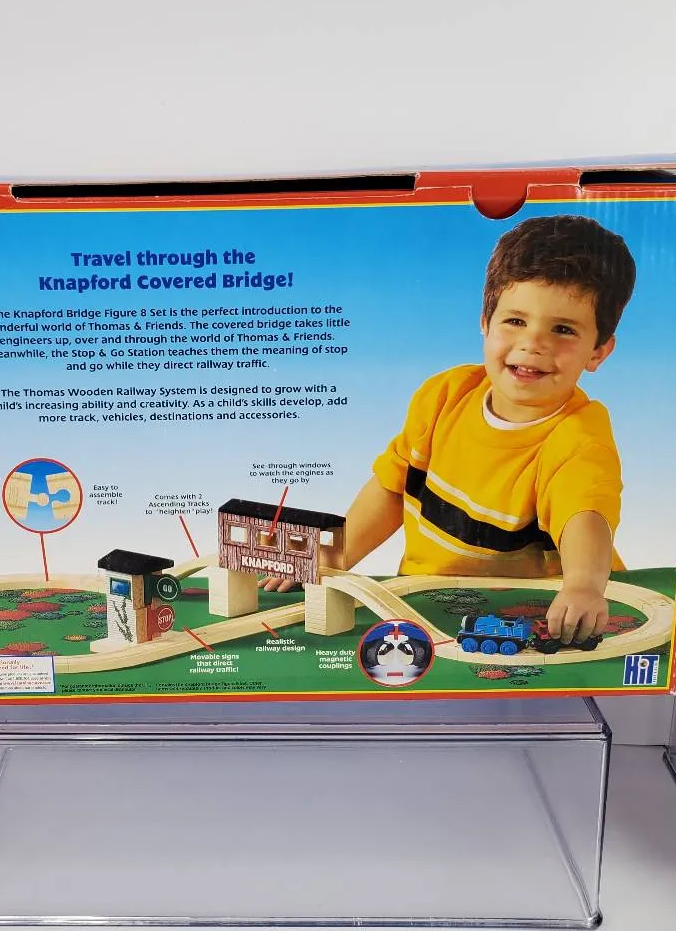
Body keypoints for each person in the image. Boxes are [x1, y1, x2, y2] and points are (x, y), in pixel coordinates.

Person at [260, 214, 636, 645]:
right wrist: (334, 555)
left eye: (563, 329)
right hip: (428, 600)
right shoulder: (444, 395)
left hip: (534, 617)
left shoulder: (578, 438)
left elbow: (585, 517)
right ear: (485, 322)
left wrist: (584, 586)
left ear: (598, 352)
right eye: (515, 321)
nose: (534, 343)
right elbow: (392, 488)